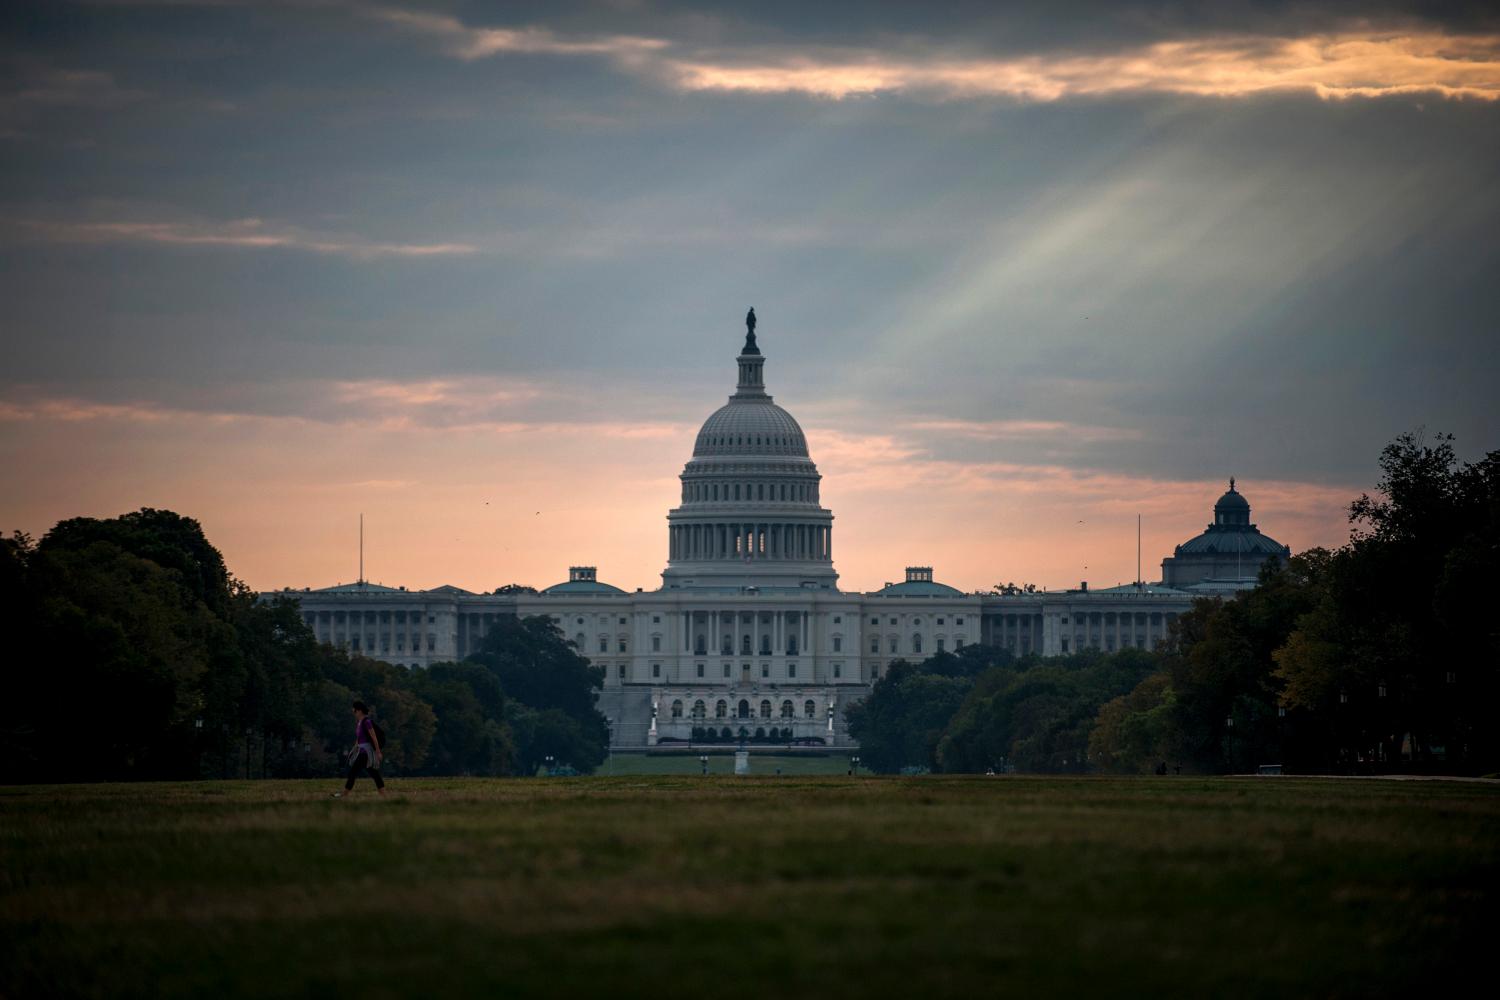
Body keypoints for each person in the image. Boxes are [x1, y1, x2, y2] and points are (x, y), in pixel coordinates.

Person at [332, 700, 385, 797]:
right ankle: (384, 795)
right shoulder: (359, 723)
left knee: (353, 772)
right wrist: (354, 749)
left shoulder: (367, 722)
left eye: (354, 711)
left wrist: (378, 751)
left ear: (359, 711)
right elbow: (359, 739)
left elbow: (373, 737)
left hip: (366, 753)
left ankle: (344, 794)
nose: (354, 713)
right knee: (374, 773)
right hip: (361, 751)